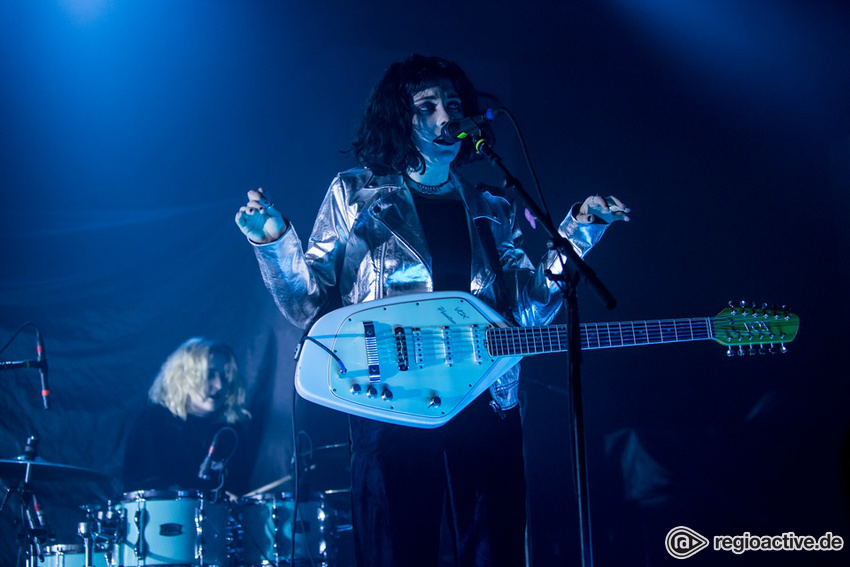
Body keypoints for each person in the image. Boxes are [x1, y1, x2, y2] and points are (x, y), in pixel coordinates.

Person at [235, 54, 629, 566]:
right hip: (391, 401)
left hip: (485, 402)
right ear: (401, 117)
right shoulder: (356, 193)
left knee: (495, 551)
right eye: (427, 106)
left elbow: (528, 312)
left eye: (453, 105)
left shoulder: (493, 206)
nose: (446, 116)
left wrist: (580, 230)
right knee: (399, 548)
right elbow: (310, 304)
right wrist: (274, 243)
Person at [122, 337, 252, 497]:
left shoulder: (230, 431)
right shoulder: (152, 422)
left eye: (225, 377)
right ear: (184, 377)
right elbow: (140, 486)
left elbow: (240, 487)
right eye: (210, 375)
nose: (219, 385)